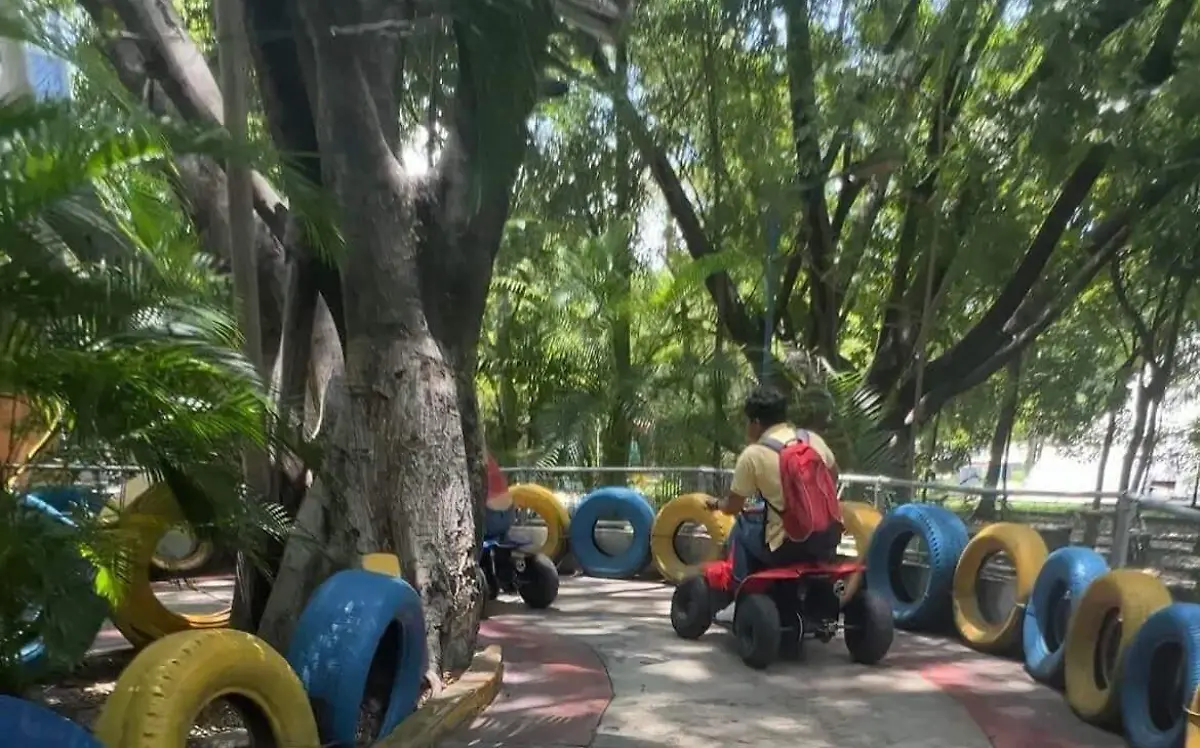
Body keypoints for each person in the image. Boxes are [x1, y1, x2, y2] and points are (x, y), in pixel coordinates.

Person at [706, 385, 843, 623]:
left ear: (756, 422)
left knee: (741, 525)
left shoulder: (754, 454)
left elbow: (733, 506)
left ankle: (739, 596)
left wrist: (716, 504)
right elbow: (834, 476)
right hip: (827, 539)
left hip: (787, 547)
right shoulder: (812, 440)